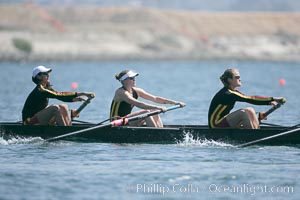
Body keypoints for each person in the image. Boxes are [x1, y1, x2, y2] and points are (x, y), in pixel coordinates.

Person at [208, 68, 284, 129]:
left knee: (250, 110)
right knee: (243, 113)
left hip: (223, 122)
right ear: (229, 80)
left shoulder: (232, 92)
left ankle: (256, 131)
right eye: (237, 77)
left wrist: (268, 103)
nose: (240, 79)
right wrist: (273, 99)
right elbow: (250, 98)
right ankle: (251, 135)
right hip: (215, 125)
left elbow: (250, 99)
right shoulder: (228, 94)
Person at [22, 65, 94, 126]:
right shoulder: (40, 90)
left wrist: (78, 99)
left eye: (48, 73)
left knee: (63, 106)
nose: (48, 75)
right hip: (29, 122)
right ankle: (63, 131)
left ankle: (68, 128)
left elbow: (60, 97)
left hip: (38, 117)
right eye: (46, 73)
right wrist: (82, 93)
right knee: (55, 108)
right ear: (39, 77)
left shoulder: (46, 88)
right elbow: (58, 95)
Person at [110, 69, 185, 127]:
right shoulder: (121, 92)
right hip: (116, 123)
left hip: (127, 120)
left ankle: (160, 130)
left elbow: (155, 98)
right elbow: (138, 104)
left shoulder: (136, 91)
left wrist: (175, 102)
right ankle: (155, 133)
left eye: (134, 78)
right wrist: (158, 107)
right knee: (146, 112)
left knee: (154, 111)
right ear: (124, 80)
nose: (134, 79)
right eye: (131, 78)